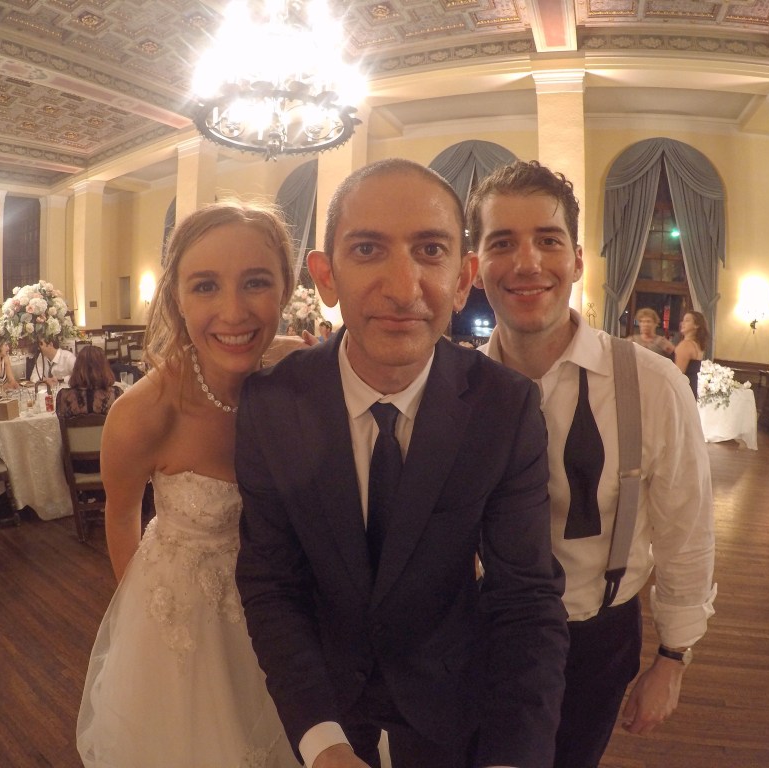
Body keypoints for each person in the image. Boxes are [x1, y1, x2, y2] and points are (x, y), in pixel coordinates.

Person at [235, 158, 569, 768]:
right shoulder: (272, 404)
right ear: (325, 276)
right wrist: (322, 742)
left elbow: (525, 599)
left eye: (430, 250)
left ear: (463, 278)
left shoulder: (504, 406)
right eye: (367, 250)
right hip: (319, 695)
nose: (401, 287)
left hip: (450, 697)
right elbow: (272, 583)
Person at [465, 160, 716, 768]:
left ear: (577, 261)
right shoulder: (454, 383)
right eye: (503, 242)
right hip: (473, 627)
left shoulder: (652, 385)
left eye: (548, 240)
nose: (528, 263)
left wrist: (673, 658)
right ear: (475, 267)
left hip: (595, 636)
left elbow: (686, 532)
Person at [76, 201, 301, 768]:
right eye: (205, 286)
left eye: (256, 282)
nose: (233, 311)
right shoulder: (144, 412)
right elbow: (120, 515)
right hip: (188, 622)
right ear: (177, 297)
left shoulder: (297, 373)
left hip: (290, 604)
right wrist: (151, 625)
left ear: (286, 288)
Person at [55, 346, 119, 419]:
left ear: (76, 368)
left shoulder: (63, 397)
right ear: (105, 368)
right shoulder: (116, 395)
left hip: (77, 427)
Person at [675, 311, 710, 397]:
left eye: (687, 320)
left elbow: (677, 374)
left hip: (682, 390)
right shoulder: (698, 345)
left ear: (696, 325)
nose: (682, 323)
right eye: (683, 320)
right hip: (691, 388)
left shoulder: (686, 345)